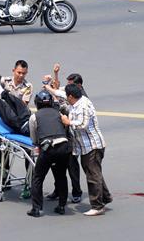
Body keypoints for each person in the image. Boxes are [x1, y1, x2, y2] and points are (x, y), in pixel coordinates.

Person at [62, 84, 112, 216]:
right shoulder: (77, 101)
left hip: (92, 146)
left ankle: (97, 206)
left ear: (71, 96)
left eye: (67, 96)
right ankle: (105, 197)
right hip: (85, 147)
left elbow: (83, 124)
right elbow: (60, 94)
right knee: (95, 173)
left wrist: (68, 122)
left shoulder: (83, 105)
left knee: (93, 176)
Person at [42, 64, 85, 203]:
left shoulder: (81, 99)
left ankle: (76, 191)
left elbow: (64, 105)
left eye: (70, 85)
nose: (67, 88)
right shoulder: (69, 92)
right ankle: (58, 191)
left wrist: (58, 105)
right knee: (58, 167)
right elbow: (56, 89)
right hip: (61, 134)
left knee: (72, 166)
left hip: (72, 137)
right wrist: (55, 75)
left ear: (78, 86)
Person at [27, 91, 72, 218]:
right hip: (64, 146)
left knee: (38, 178)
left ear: (37, 103)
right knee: (61, 176)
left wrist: (38, 143)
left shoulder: (34, 117)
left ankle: (36, 208)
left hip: (48, 148)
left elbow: (34, 138)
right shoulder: (58, 113)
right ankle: (62, 206)